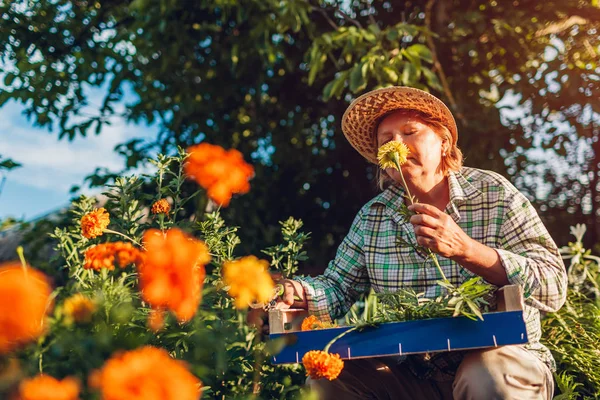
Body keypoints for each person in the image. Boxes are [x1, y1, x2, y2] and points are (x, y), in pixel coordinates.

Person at [274, 86, 567, 400]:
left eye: (410, 132)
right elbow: (337, 287)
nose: (396, 144)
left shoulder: (494, 194)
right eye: (386, 140)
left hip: (500, 358)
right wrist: (297, 293)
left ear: (444, 142)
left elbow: (553, 286)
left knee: (485, 377)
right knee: (328, 380)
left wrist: (466, 249)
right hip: (414, 373)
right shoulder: (373, 216)